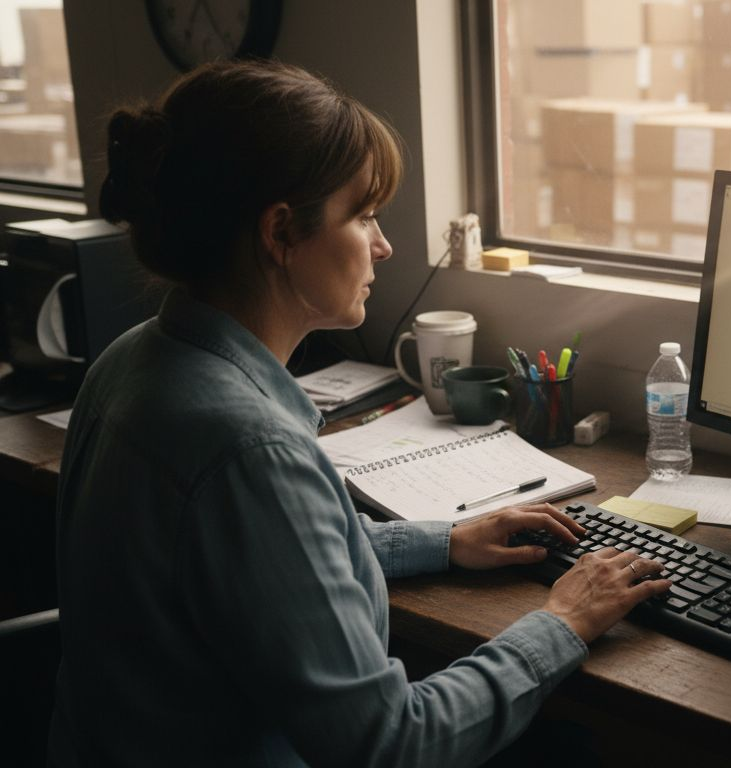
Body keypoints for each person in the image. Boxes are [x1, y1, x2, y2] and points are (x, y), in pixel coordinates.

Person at [50, 59, 670, 766]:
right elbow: (392, 745)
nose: (384, 246)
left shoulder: (135, 360)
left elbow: (262, 563)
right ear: (281, 232)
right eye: (365, 215)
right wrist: (561, 622)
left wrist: (447, 540)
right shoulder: (249, 451)